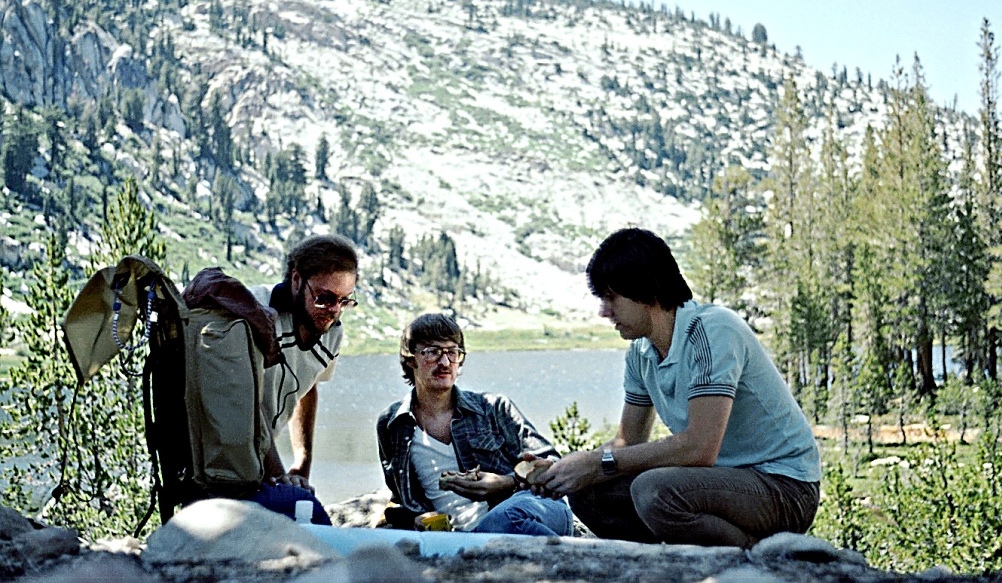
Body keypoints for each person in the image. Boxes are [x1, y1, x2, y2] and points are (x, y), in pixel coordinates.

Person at [529, 227, 820, 548]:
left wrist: (599, 464)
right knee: (587, 491)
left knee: (655, 491)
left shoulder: (712, 330)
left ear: (646, 291)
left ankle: (760, 559)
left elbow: (700, 448)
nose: (603, 311)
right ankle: (672, 560)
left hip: (784, 486)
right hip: (717, 485)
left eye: (611, 297)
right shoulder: (641, 352)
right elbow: (628, 441)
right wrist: (566, 469)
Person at [377, 313, 573, 536]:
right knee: (492, 530)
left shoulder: (495, 407)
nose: (445, 363)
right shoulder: (392, 424)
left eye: (452, 352)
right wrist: (415, 520)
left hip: (531, 509)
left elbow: (554, 466)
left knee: (502, 519)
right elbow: (399, 498)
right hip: (467, 536)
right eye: (432, 352)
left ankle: (573, 564)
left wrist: (508, 483)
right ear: (411, 359)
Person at [251, 234, 359, 492]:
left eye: (344, 301)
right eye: (324, 298)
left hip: (260, 462)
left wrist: (303, 463)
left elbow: (308, 386)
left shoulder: (332, 332)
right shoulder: (256, 311)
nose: (334, 311)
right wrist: (278, 475)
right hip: (224, 462)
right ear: (297, 279)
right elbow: (247, 402)